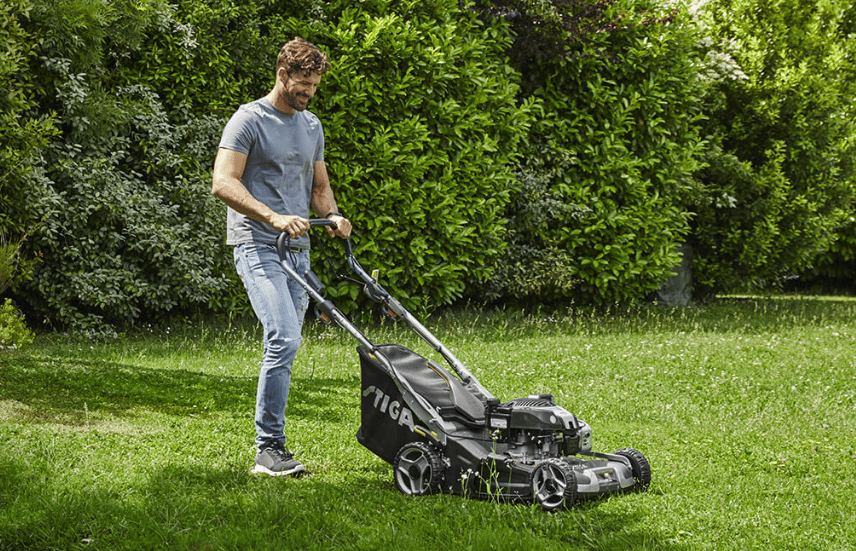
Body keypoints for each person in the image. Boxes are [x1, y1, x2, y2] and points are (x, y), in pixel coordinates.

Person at [212, 37, 352, 477]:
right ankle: (268, 449)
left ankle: (273, 447)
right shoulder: (248, 120)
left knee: (285, 348)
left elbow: (317, 187)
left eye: (314, 85)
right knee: (285, 338)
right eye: (302, 83)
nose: (309, 92)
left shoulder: (312, 126)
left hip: (299, 251)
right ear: (282, 74)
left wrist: (331, 215)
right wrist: (272, 216)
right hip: (257, 244)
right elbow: (223, 183)